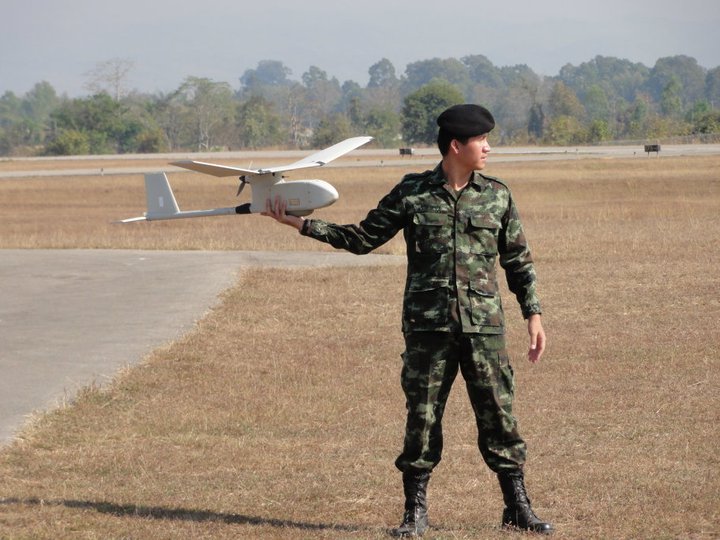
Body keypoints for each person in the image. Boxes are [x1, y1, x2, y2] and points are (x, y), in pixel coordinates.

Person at [263, 104, 553, 536]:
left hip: (484, 329)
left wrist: (533, 314)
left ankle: (517, 507)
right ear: (456, 146)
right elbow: (363, 237)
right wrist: (303, 225)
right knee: (422, 418)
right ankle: (414, 513)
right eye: (481, 140)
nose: (488, 147)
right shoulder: (413, 192)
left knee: (499, 415)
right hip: (427, 330)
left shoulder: (497, 195)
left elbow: (518, 261)